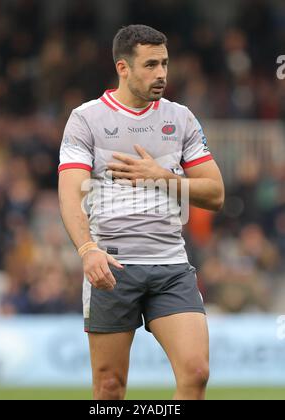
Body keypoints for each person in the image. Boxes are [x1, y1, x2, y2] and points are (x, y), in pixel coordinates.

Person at [58, 24, 224, 400]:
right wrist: (87, 250)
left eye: (165, 63)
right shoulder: (86, 119)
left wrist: (162, 177)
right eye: (150, 64)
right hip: (112, 268)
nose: (162, 73)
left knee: (196, 372)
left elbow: (215, 193)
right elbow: (70, 196)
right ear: (123, 68)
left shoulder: (180, 118)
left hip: (170, 265)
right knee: (110, 388)